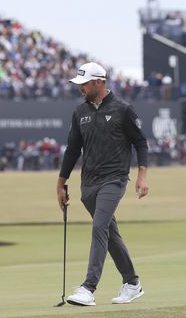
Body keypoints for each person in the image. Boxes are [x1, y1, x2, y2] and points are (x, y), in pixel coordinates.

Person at [56, 62, 150, 306]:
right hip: (88, 184)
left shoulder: (123, 109)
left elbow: (140, 142)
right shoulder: (80, 112)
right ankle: (132, 283)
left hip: (114, 179)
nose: (81, 89)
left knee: (99, 227)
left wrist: (141, 175)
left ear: (99, 82)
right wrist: (61, 183)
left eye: (84, 84)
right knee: (109, 233)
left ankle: (88, 288)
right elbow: (72, 149)